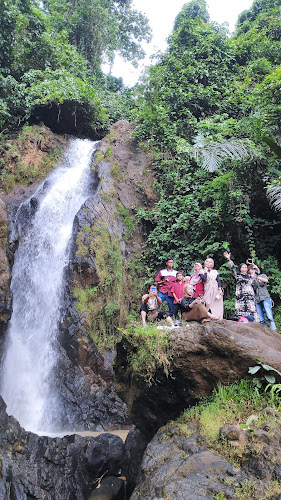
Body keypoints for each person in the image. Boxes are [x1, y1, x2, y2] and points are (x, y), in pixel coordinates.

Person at [223, 252, 259, 322]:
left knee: (252, 310)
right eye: (243, 267)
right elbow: (233, 268)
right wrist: (229, 259)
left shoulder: (250, 276)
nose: (245, 268)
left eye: (246, 267)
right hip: (241, 297)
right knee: (240, 311)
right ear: (240, 269)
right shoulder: (238, 276)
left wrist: (252, 264)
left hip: (250, 297)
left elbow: (257, 271)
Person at [248, 265, 277, 330]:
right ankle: (265, 332)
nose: (252, 272)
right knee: (261, 319)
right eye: (250, 271)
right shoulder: (251, 280)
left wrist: (256, 277)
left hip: (265, 298)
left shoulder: (262, 275)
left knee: (269, 316)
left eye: (253, 270)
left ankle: (273, 330)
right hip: (257, 300)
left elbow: (266, 280)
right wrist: (252, 278)